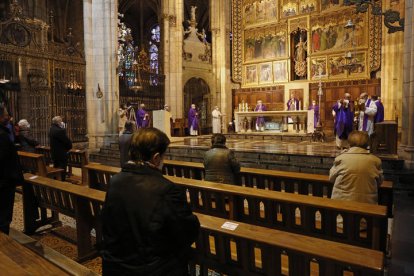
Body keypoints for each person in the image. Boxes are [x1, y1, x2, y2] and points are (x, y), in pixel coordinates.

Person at [101, 128, 200, 275]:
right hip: (152, 269)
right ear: (156, 158)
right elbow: (188, 233)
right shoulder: (167, 190)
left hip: (115, 266)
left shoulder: (115, 181)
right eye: (164, 155)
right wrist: (184, 205)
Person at [329, 131, 383, 204]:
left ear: (349, 143)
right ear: (367, 144)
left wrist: (342, 155)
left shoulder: (341, 158)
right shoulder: (375, 161)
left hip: (341, 201)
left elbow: (331, 178)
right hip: (367, 203)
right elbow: (379, 182)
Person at [0, 105, 23, 234]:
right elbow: (4, 160)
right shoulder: (2, 135)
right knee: (4, 216)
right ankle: (4, 249)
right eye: (5, 115)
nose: (7, 117)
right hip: (4, 183)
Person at [49, 116, 72, 181]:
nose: (62, 122)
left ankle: (56, 178)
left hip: (54, 152)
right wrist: (63, 129)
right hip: (61, 153)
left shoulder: (51, 128)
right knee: (62, 167)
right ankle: (61, 180)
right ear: (59, 122)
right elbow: (67, 142)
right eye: (61, 121)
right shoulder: (60, 131)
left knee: (56, 166)